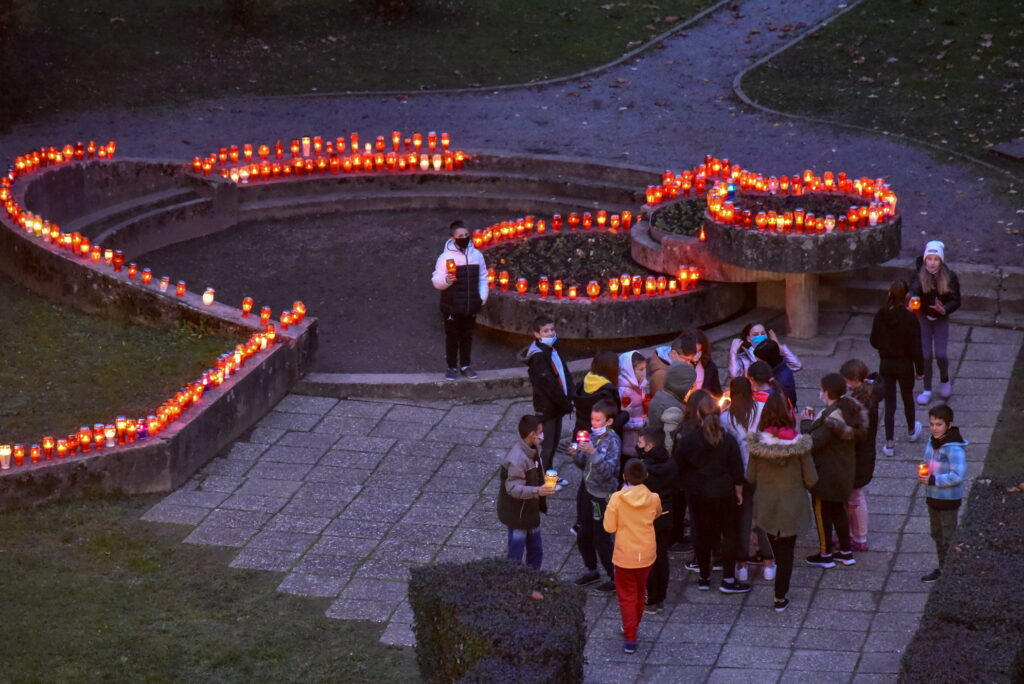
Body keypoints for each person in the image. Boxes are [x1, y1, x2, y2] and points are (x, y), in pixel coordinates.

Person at [745, 392, 817, 612]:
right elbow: (811, 479)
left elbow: (750, 477)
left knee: (776, 549)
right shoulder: (799, 446)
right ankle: (779, 596)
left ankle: (775, 583)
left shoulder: (758, 447)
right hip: (792, 507)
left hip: (767, 507)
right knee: (787, 554)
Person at [673, 394, 749, 593]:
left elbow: (677, 464)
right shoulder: (728, 440)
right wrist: (739, 491)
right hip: (724, 492)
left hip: (698, 492)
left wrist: (684, 483)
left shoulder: (689, 440)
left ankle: (704, 576)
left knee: (701, 533)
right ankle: (729, 579)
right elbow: (737, 469)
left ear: (698, 415)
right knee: (729, 534)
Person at [801, 373, 866, 569]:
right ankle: (846, 552)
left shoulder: (831, 421)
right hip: (844, 473)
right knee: (839, 511)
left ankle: (825, 553)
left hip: (826, 477)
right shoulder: (847, 409)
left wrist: (805, 423)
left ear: (827, 392)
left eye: (821, 389)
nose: (820, 393)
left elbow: (811, 443)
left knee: (822, 513)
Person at [604, 458, 661, 654]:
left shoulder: (617, 499)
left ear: (624, 477)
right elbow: (656, 514)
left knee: (626, 596)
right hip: (646, 554)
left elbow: (609, 527)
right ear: (646, 476)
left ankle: (631, 636)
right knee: (639, 591)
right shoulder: (653, 497)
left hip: (624, 555)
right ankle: (633, 625)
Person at [721, 376, 775, 582]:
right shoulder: (761, 409)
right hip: (761, 471)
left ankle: (741, 564)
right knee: (763, 517)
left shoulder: (726, 418)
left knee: (743, 519)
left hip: (739, 475)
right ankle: (769, 563)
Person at [570, 399, 621, 594]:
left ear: (609, 421)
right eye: (592, 419)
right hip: (587, 489)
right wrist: (576, 454)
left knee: (602, 538)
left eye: (598, 420)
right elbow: (585, 466)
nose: (593, 423)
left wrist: (593, 452)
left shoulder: (613, 441)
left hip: (602, 495)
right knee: (583, 533)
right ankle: (592, 570)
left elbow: (608, 471)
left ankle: (614, 577)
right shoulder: (592, 435)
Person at [870, 280, 924, 457]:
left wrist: (884, 348)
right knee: (907, 397)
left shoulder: (881, 314)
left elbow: (873, 341)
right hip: (905, 364)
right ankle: (910, 431)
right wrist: (920, 369)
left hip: (886, 364)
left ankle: (889, 443)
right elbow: (917, 347)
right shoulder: (910, 319)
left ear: (889, 293)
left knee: (890, 403)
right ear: (907, 296)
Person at [431, 219, 489, 381]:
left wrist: (481, 298)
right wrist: (446, 281)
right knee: (452, 337)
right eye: (460, 235)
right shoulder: (445, 257)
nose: (464, 238)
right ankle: (451, 367)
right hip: (451, 306)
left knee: (467, 336)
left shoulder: (477, 255)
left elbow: (483, 278)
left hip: (470, 305)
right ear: (453, 238)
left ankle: (465, 365)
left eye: (466, 235)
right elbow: (436, 281)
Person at [497, 415, 556, 569]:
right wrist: (538, 491)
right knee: (515, 555)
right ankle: (513, 584)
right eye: (541, 432)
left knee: (536, 550)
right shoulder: (517, 459)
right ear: (532, 434)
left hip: (530, 510)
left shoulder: (534, 449)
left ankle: (533, 581)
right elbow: (513, 488)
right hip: (518, 514)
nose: (543, 435)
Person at [918, 403, 968, 583]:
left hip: (947, 501)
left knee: (949, 538)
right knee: (937, 535)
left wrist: (934, 480)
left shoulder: (954, 448)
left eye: (939, 424)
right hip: (932, 498)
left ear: (949, 424)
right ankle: (943, 568)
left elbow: (958, 475)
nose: (934, 428)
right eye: (931, 424)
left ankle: (952, 574)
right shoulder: (932, 442)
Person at [909, 241, 961, 404]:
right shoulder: (919, 275)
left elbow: (956, 300)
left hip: (940, 319)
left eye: (936, 259)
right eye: (929, 259)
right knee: (925, 355)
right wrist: (912, 301)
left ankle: (944, 379)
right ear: (925, 260)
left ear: (941, 261)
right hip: (924, 318)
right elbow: (914, 291)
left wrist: (944, 309)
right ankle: (927, 389)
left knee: (941, 354)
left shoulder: (949, 276)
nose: (932, 262)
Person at [840, 359, 885, 551]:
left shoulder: (861, 403)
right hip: (864, 455)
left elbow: (855, 432)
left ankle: (859, 538)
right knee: (853, 497)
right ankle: (854, 535)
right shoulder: (868, 396)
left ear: (853, 380)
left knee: (855, 497)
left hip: (859, 457)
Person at [522, 315, 573, 483]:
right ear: (537, 334)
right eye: (545, 331)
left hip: (556, 406)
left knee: (554, 440)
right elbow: (549, 386)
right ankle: (543, 480)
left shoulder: (552, 348)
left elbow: (562, 372)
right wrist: (565, 403)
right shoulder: (538, 357)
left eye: (552, 330)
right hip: (548, 407)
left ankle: (550, 476)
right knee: (547, 446)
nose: (550, 333)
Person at [635, 427, 677, 614]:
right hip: (666, 514)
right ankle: (661, 595)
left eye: (640, 443)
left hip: (647, 518)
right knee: (662, 556)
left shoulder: (643, 470)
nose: (638, 446)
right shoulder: (670, 463)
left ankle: (651, 598)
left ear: (650, 445)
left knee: (648, 560)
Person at [572, 351, 627, 438]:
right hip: (603, 442)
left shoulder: (582, 385)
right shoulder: (609, 392)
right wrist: (626, 413)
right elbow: (613, 423)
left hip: (582, 437)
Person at [728, 322, 802, 380]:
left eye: (763, 333)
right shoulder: (743, 358)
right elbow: (734, 376)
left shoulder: (773, 353)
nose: (760, 337)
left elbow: (796, 365)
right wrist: (733, 352)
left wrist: (779, 345)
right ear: (748, 338)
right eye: (755, 335)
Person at [618, 351, 649, 458]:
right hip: (629, 436)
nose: (644, 372)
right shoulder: (624, 391)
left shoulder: (640, 385)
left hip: (640, 431)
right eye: (640, 369)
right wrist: (640, 423)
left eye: (645, 368)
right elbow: (623, 417)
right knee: (631, 457)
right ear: (629, 370)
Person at [754, 339, 797, 408]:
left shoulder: (783, 378)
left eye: (760, 361)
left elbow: (787, 404)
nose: (758, 364)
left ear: (769, 360)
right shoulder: (773, 368)